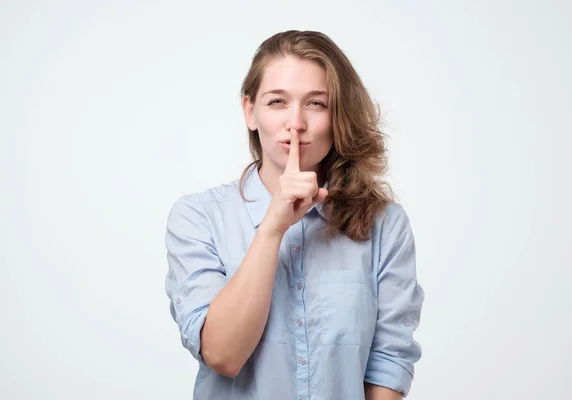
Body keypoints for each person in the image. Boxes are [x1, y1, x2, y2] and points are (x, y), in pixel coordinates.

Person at [165, 30, 424, 400]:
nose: (296, 122)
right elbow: (223, 355)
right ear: (249, 111)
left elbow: (388, 361)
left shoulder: (384, 224)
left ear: (339, 116)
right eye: (277, 102)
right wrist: (273, 227)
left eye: (316, 104)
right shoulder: (197, 218)